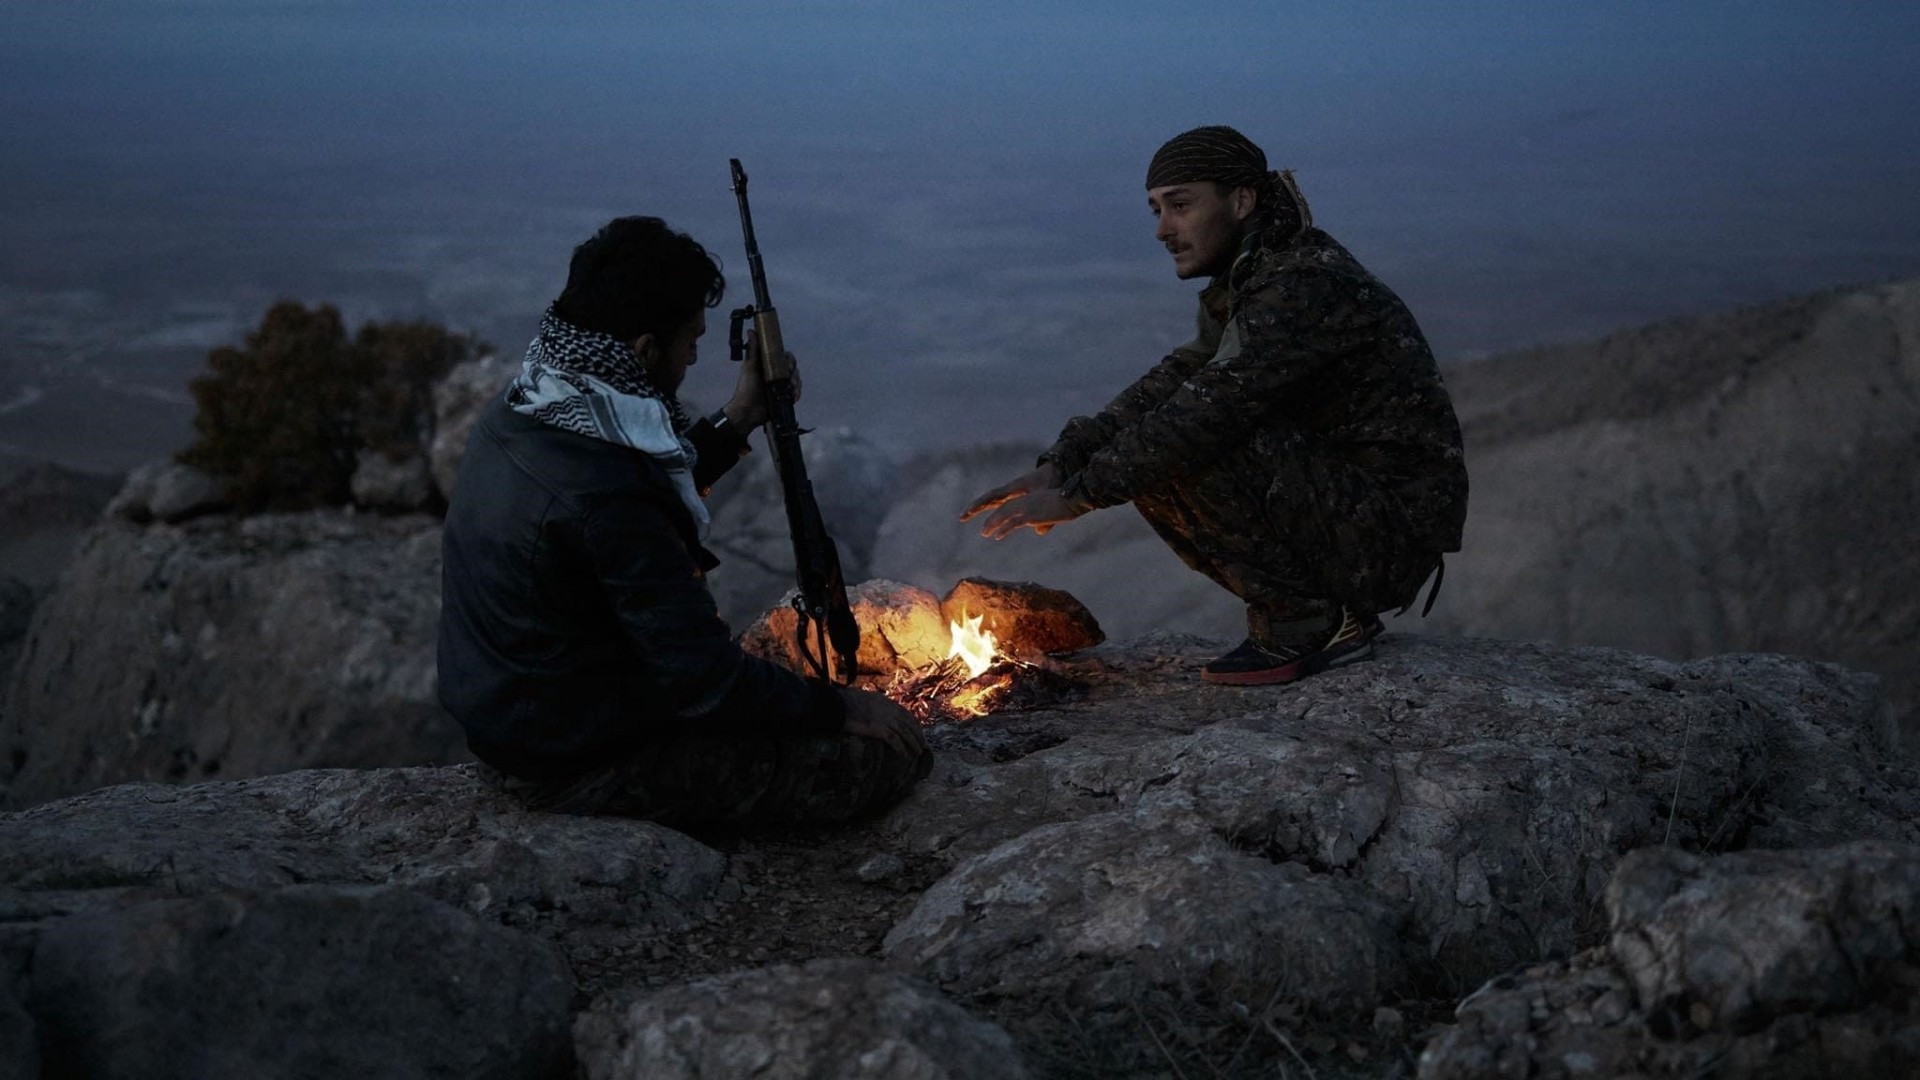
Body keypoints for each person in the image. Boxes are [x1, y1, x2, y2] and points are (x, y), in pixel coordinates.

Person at [438, 215, 930, 826]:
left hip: (522, 721)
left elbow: (633, 493)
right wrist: (842, 708)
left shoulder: (532, 405)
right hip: (575, 761)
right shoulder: (610, 493)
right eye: (690, 342)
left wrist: (740, 416)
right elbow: (706, 681)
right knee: (887, 759)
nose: (695, 357)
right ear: (645, 349)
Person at [963, 126, 1468, 685]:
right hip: (1351, 518)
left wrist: (1079, 496)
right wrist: (1063, 463)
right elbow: (1173, 382)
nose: (1163, 229)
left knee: (1186, 441)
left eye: (1180, 205)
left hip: (1386, 538)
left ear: (1242, 201)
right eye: (1156, 209)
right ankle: (1310, 615)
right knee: (1152, 444)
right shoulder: (1253, 276)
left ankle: (1311, 623)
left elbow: (1208, 412)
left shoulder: (1302, 283)